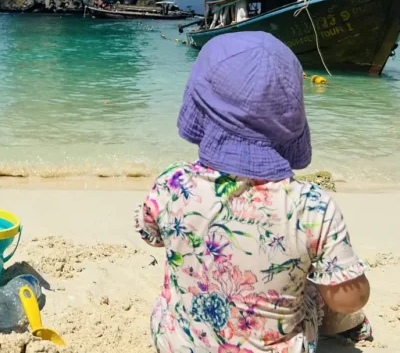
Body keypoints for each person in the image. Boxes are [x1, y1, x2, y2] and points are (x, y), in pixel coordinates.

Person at [136, 32, 371, 352]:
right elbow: (346, 299)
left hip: (181, 346)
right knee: (317, 297)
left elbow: (150, 233)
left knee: (174, 297)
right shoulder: (311, 207)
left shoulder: (173, 184)